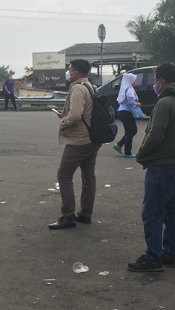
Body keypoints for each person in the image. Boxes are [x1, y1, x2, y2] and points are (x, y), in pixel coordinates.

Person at [128, 62, 175, 271]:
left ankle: (153, 256)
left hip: (162, 164)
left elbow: (155, 135)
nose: (154, 84)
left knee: (152, 212)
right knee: (171, 211)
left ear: (162, 81)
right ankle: (171, 253)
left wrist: (141, 154)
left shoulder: (164, 103)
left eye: (155, 80)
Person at [49, 59, 102, 229]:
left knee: (63, 175)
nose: (68, 72)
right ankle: (85, 213)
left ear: (76, 73)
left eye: (70, 69)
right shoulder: (89, 86)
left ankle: (68, 216)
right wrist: (65, 114)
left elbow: (76, 116)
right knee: (88, 175)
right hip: (92, 138)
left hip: (79, 140)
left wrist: (63, 122)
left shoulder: (78, 88)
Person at [112, 73, 143, 158]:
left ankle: (119, 145)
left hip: (122, 112)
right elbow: (131, 102)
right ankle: (127, 152)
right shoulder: (129, 89)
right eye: (134, 80)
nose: (135, 82)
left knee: (131, 131)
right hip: (126, 112)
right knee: (131, 131)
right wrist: (137, 104)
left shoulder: (125, 88)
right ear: (130, 81)